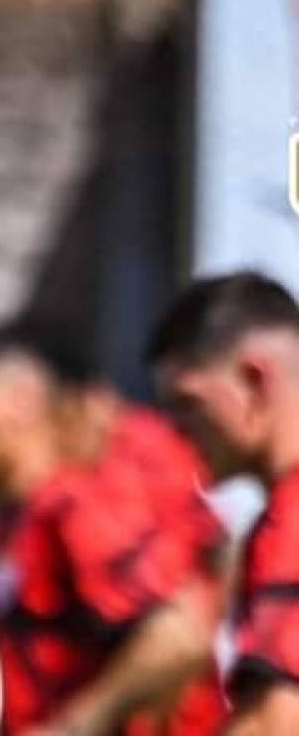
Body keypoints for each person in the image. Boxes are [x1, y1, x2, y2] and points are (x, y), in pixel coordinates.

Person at [0, 322, 225, 735]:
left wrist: (72, 726)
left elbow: (179, 636)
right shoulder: (8, 521)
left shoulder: (77, 507)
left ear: (23, 399)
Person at [148, 271, 299, 735]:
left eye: (187, 403)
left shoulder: (292, 521)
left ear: (255, 381)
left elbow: (276, 722)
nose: (176, 428)